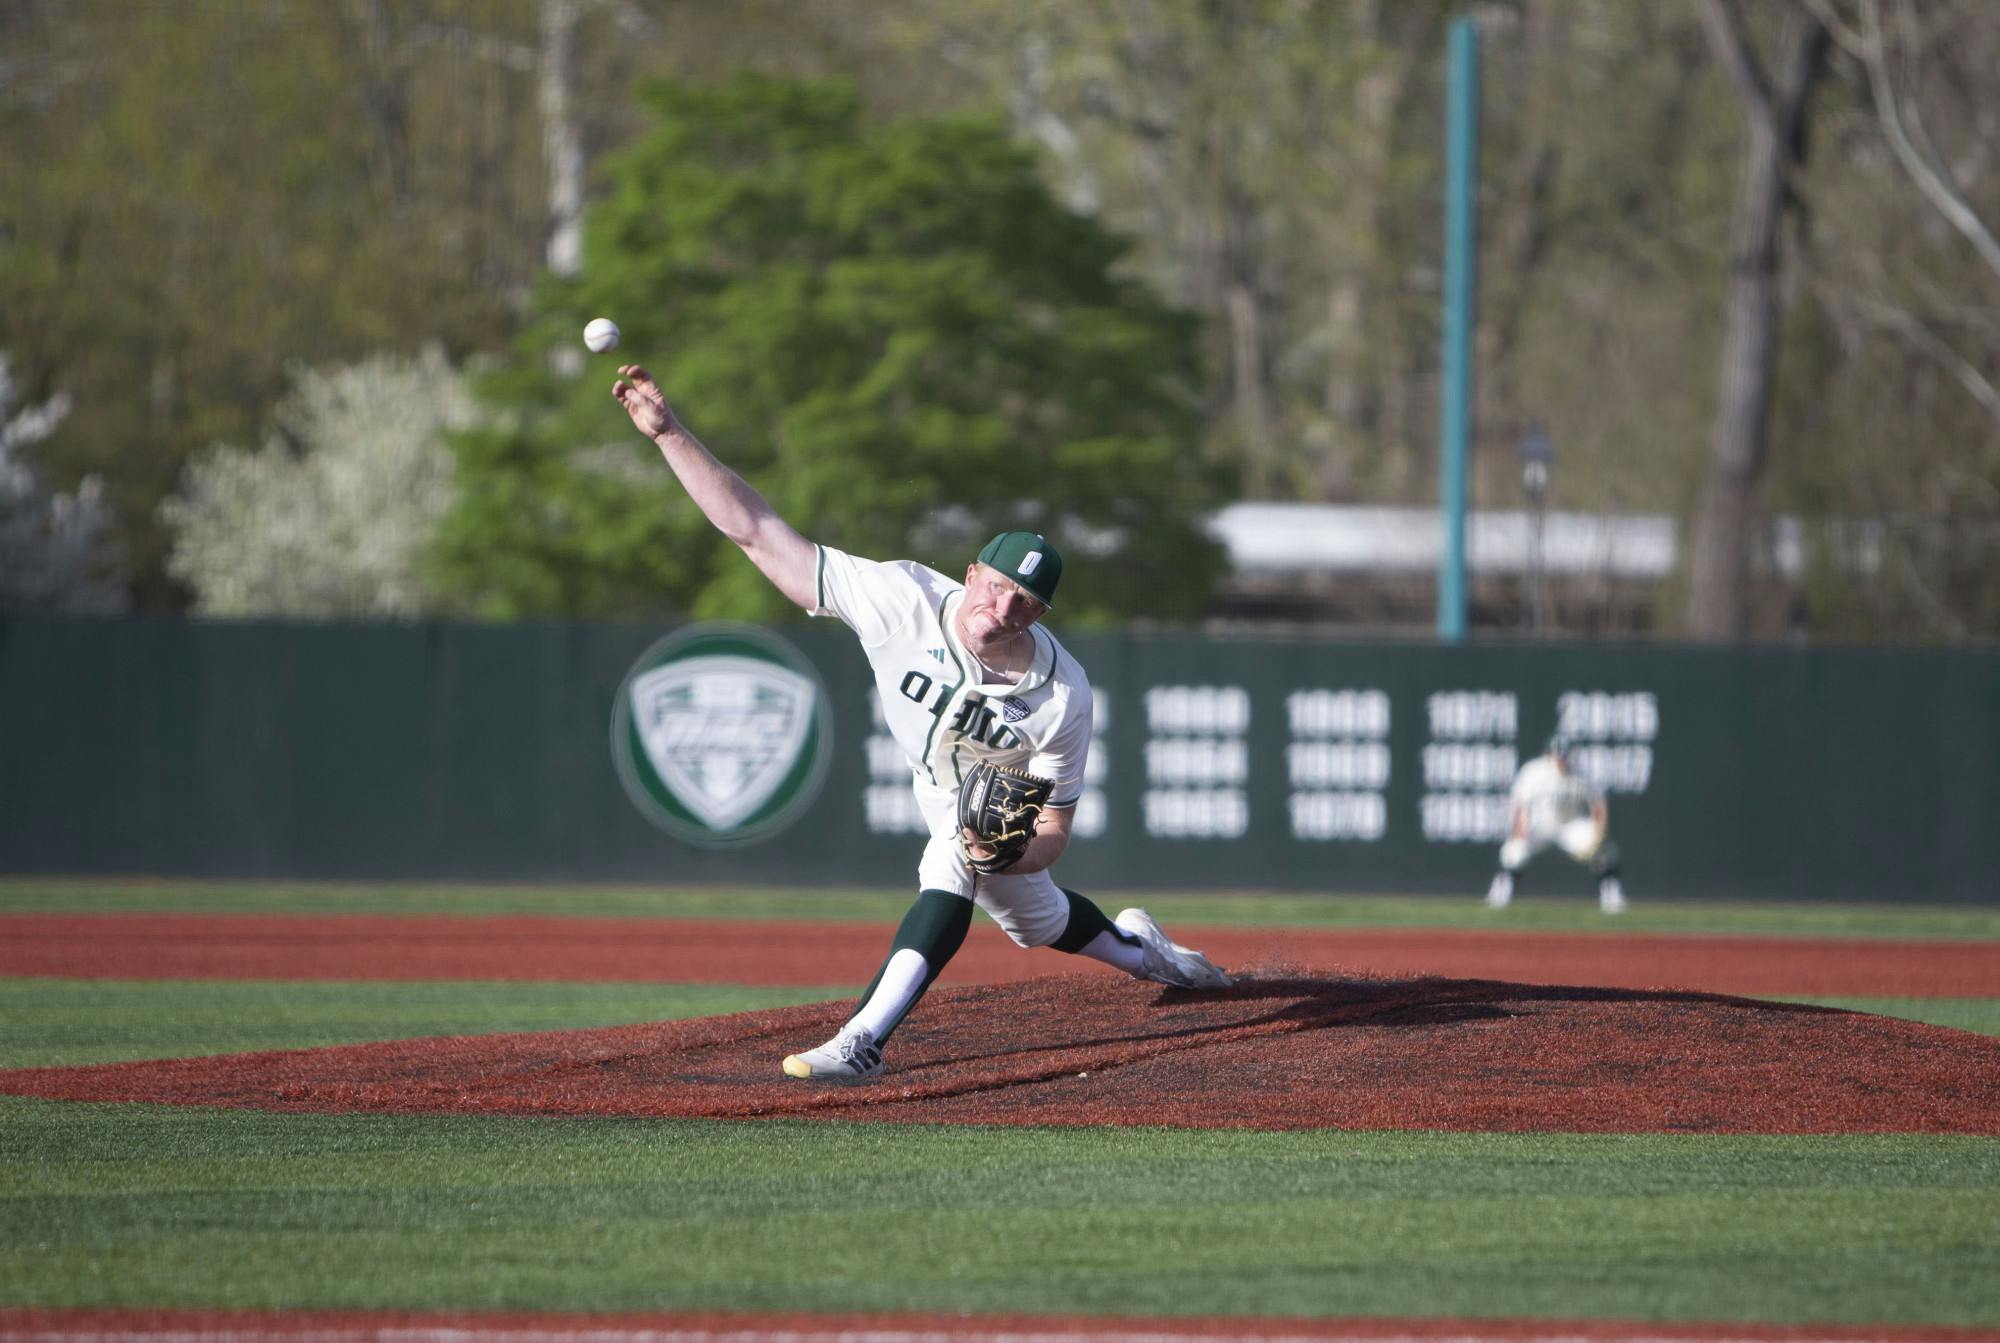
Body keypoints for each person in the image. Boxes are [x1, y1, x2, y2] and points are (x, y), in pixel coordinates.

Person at [611, 364, 1232, 1082]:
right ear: (971, 573)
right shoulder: (899, 597)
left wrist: (1013, 852)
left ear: (1041, 615)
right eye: (998, 587)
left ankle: (862, 1039)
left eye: (1024, 603)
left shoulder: (1063, 694)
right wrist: (669, 435)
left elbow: (1056, 826)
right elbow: (755, 531)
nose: (1001, 610)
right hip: (942, 787)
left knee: (958, 864)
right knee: (1038, 924)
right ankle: (1142, 950)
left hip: (1002, 812)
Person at [1484, 736, 1628, 914]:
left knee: (1605, 850)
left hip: (1569, 824)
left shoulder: (1581, 773)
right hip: (1540, 823)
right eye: (1556, 755)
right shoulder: (1533, 771)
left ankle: (1611, 895)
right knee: (1514, 850)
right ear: (1547, 755)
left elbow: (1598, 804)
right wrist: (1519, 830)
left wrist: (1599, 832)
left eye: (1564, 756)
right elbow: (1519, 805)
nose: (1560, 760)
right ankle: (1501, 892)